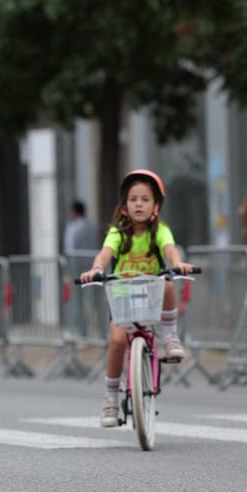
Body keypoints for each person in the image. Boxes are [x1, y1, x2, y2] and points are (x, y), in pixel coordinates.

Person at [78, 170, 193, 428]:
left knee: (168, 282)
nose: (138, 204)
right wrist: (96, 269)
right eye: (133, 199)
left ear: (156, 206)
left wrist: (179, 264)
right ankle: (110, 399)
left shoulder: (160, 231)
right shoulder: (118, 234)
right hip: (122, 294)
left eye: (145, 199)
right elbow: (104, 255)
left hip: (151, 292)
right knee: (117, 341)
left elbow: (170, 251)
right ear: (124, 206)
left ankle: (171, 336)